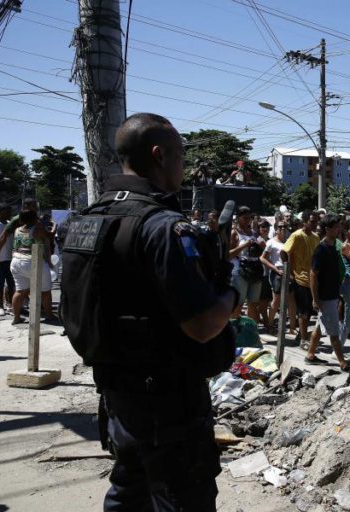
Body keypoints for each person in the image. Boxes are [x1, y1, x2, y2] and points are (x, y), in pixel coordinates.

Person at [60, 113, 237, 511]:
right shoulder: (161, 226)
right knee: (180, 497)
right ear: (159, 155)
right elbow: (204, 325)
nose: (184, 166)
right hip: (168, 402)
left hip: (118, 393)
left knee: (130, 491)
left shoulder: (88, 219)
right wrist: (231, 295)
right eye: (180, 156)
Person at [305, 214, 349, 370]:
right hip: (325, 297)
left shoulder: (333, 247)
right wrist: (315, 299)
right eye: (336, 227)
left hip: (333, 294)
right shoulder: (321, 249)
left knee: (319, 327)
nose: (339, 229)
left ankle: (310, 354)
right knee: (334, 333)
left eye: (339, 226)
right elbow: (313, 275)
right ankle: (342, 362)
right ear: (327, 229)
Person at [281, 210, 320, 349]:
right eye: (312, 221)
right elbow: (284, 252)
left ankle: (302, 335)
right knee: (303, 312)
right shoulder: (296, 235)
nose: (315, 224)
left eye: (316, 221)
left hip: (313, 279)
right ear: (304, 221)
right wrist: (290, 273)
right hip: (300, 279)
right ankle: (303, 340)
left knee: (309, 311)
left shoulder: (316, 237)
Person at [9, 209, 55, 324]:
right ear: (35, 218)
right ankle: (49, 315)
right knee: (45, 291)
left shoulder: (17, 230)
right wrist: (55, 225)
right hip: (34, 262)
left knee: (20, 291)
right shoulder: (38, 229)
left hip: (16, 261)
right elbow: (51, 235)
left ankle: (16, 317)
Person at [230, 206, 264, 323]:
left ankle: (250, 331)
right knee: (238, 303)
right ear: (238, 218)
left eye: (249, 218)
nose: (247, 220)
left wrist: (261, 244)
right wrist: (244, 245)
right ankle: (233, 330)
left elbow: (262, 250)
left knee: (253, 303)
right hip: (240, 270)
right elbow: (228, 254)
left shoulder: (253, 232)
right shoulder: (234, 232)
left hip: (254, 268)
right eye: (245, 218)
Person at [261, 222, 296, 336]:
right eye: (280, 227)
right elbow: (262, 258)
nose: (283, 229)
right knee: (276, 301)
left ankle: (292, 327)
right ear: (275, 229)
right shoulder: (271, 242)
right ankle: (270, 325)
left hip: (289, 271)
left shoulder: (289, 241)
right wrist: (274, 268)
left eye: (285, 227)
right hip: (278, 273)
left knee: (291, 301)